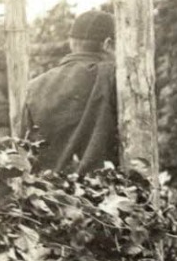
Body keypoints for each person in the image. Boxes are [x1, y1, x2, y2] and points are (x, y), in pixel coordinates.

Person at [17, 9, 120, 174]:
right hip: (108, 192)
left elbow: (24, 153)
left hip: (49, 195)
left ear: (71, 42)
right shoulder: (115, 75)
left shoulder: (35, 86)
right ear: (108, 44)